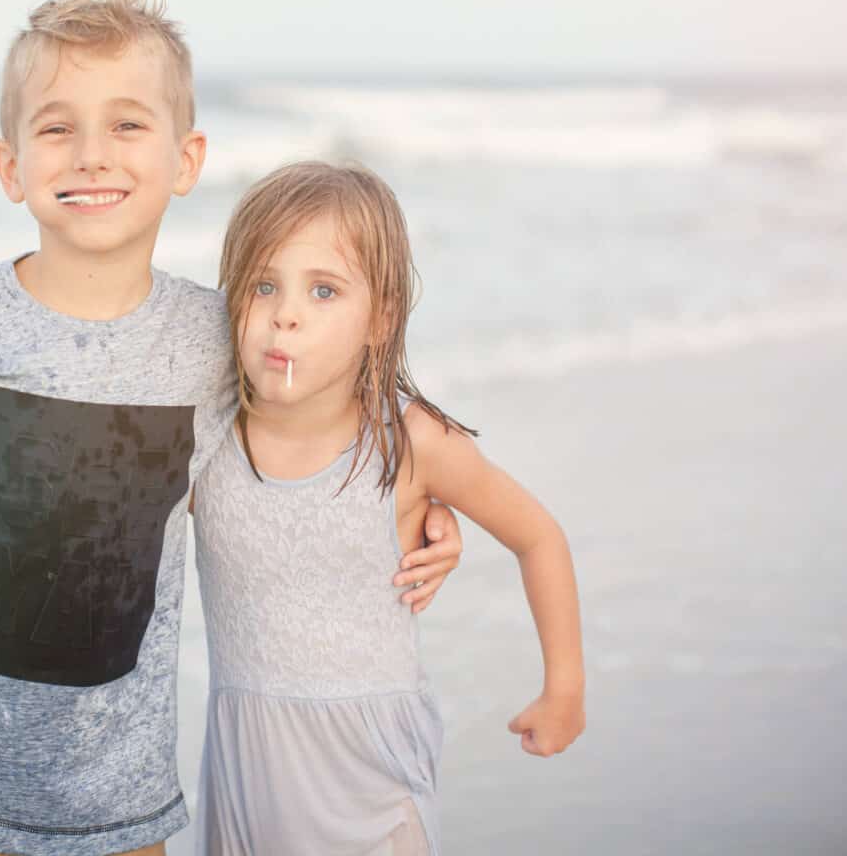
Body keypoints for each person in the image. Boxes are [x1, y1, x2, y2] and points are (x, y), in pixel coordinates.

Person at [0, 0, 463, 856]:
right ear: (10, 163)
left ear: (186, 157)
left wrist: (423, 501)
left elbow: (315, 436)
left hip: (125, 800)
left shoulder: (218, 339)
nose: (92, 155)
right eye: (57, 128)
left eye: (128, 125)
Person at [192, 161, 587, 854]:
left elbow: (538, 537)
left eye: (323, 290)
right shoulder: (206, 442)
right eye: (262, 285)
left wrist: (565, 689)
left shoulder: (411, 442)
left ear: (380, 318)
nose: (285, 313)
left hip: (369, 776)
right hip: (247, 769)